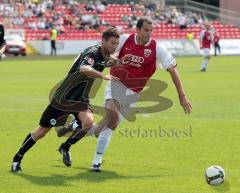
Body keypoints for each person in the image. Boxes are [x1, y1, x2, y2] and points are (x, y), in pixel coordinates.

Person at [58, 16, 192, 172]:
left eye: (151, 30)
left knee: (108, 126)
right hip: (116, 84)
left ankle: (74, 134)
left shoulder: (156, 48)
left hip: (134, 94)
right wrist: (115, 59)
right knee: (112, 118)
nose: (149, 33)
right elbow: (108, 56)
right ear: (138, 30)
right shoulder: (124, 40)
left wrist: (182, 96)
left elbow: (172, 69)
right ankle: (96, 162)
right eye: (146, 30)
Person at [10, 27, 129, 172]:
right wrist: (102, 75)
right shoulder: (92, 52)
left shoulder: (106, 55)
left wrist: (122, 61)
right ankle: (17, 158)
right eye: (112, 43)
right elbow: (84, 68)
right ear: (103, 40)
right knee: (42, 131)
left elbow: (111, 61)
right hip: (64, 98)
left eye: (117, 44)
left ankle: (65, 146)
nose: (115, 46)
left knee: (88, 123)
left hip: (80, 99)